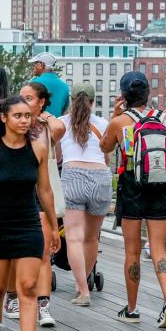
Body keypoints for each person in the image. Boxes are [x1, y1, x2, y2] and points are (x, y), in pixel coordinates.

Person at [0, 96, 59, 331]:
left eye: (27, 116)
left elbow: (45, 190)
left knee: (27, 287)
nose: (25, 120)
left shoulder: (38, 148)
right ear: (3, 118)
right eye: (18, 116)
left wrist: (52, 224)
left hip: (28, 224)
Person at [100, 70, 166, 327]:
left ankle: (132, 308)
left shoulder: (121, 121)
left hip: (132, 188)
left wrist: (115, 116)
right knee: (159, 246)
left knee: (132, 252)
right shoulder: (165, 120)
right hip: (162, 188)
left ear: (124, 95)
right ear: (148, 94)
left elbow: (104, 147)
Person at [3, 81, 64, 326]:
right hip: (15, 190)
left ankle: (43, 304)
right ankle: (12, 296)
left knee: (44, 251)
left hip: (41, 190)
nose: (23, 101)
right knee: (14, 251)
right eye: (21, 97)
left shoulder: (47, 126)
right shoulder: (12, 123)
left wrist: (44, 114)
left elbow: (60, 127)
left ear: (41, 102)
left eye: (30, 98)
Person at [59, 83, 111, 305]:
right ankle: (84, 281)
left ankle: (83, 290)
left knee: (74, 238)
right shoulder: (104, 124)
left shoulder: (62, 124)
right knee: (91, 238)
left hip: (73, 176)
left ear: (71, 100)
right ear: (93, 102)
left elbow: (58, 156)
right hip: (101, 177)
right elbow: (107, 158)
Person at [26, 52, 69, 117]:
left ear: (41, 64)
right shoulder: (65, 86)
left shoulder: (33, 84)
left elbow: (26, 106)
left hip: (37, 125)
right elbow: (64, 110)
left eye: (34, 64)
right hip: (57, 125)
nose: (33, 66)